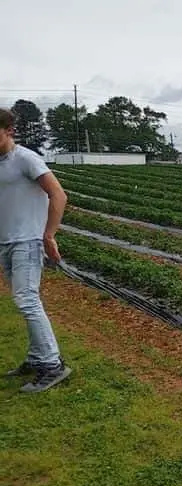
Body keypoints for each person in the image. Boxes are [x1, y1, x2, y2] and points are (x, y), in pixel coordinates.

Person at [0, 108, 71, 393]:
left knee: (26, 299)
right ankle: (36, 358)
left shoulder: (26, 159)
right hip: (6, 241)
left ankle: (53, 365)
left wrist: (49, 235)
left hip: (27, 241)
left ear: (9, 131)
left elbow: (59, 194)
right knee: (25, 300)